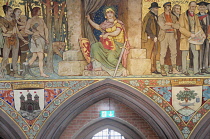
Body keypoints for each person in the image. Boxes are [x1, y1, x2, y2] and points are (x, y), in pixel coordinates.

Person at [86, 6, 130, 76]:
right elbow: (97, 27)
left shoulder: (118, 23)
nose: (109, 14)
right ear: (105, 15)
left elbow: (116, 32)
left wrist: (108, 34)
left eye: (111, 12)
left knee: (110, 58)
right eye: (107, 13)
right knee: (95, 46)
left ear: (114, 14)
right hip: (107, 44)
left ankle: (121, 68)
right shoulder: (105, 24)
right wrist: (89, 19)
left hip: (117, 46)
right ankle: (98, 65)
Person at [0, 5, 28, 78]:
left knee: (15, 57)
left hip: (15, 39)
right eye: (10, 11)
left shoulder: (13, 20)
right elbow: (4, 32)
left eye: (12, 11)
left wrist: (23, 40)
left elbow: (17, 32)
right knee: (5, 57)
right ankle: (1, 71)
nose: (12, 12)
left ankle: (15, 72)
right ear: (6, 11)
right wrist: (9, 33)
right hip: (7, 40)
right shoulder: (2, 20)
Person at [179, 1, 205, 75]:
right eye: (192, 6)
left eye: (194, 7)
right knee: (185, 55)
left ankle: (196, 71)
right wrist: (190, 34)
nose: (193, 8)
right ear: (188, 6)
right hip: (185, 38)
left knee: (196, 54)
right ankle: (184, 70)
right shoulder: (183, 16)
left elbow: (199, 26)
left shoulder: (196, 16)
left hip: (195, 38)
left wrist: (202, 34)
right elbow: (181, 28)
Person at [25, 7, 49, 78]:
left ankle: (25, 68)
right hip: (35, 40)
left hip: (42, 39)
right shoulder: (30, 20)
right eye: (39, 11)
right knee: (41, 56)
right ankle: (42, 73)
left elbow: (46, 29)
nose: (40, 12)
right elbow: (26, 30)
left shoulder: (41, 20)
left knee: (34, 56)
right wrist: (33, 33)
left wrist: (46, 38)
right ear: (35, 12)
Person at [158, 2, 180, 76]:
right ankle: (162, 69)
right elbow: (162, 27)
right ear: (164, 7)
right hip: (164, 35)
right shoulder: (161, 16)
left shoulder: (173, 16)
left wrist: (169, 24)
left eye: (170, 6)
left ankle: (174, 68)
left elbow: (177, 26)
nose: (169, 8)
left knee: (174, 52)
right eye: (167, 6)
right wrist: (172, 25)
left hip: (172, 35)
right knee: (163, 53)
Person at [142, 2, 161, 74]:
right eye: (156, 8)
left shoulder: (154, 16)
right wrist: (153, 36)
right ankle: (147, 70)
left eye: (157, 8)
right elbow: (147, 28)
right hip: (149, 39)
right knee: (149, 54)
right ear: (152, 9)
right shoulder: (149, 16)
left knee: (154, 54)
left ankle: (153, 69)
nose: (157, 10)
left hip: (154, 38)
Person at [164, 4, 182, 73]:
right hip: (172, 35)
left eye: (179, 9)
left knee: (179, 51)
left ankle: (179, 66)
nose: (178, 10)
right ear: (173, 9)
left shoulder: (181, 16)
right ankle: (170, 67)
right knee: (170, 51)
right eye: (176, 8)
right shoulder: (170, 16)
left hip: (180, 36)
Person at [13, 8, 29, 72]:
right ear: (14, 13)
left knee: (23, 55)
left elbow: (27, 26)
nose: (19, 13)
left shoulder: (22, 19)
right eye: (18, 12)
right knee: (15, 55)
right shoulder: (13, 20)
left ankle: (22, 69)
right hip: (16, 39)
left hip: (24, 38)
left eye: (20, 12)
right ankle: (14, 69)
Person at [197, 2, 210, 74]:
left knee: (206, 51)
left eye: (203, 7)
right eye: (201, 7)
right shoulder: (196, 16)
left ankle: (205, 67)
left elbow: (209, 26)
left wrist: (208, 35)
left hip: (207, 36)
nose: (202, 9)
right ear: (198, 8)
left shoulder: (208, 16)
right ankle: (199, 67)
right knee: (200, 52)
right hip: (199, 36)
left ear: (206, 8)